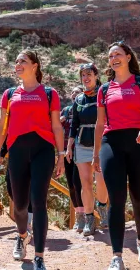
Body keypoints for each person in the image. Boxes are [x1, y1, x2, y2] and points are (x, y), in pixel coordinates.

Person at [0, 50, 65, 270]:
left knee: (39, 202)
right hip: (18, 153)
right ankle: (22, 235)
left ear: (35, 66)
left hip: (43, 151)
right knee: (19, 207)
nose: (18, 64)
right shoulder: (10, 94)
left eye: (23, 61)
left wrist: (61, 156)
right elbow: (1, 129)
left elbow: (57, 126)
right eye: (16, 61)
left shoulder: (50, 94)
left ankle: (39, 256)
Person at [93, 41, 140, 270]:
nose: (113, 58)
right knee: (117, 199)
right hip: (111, 143)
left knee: (139, 197)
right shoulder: (104, 89)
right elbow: (100, 123)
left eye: (118, 54)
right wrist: (95, 155)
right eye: (110, 56)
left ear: (128, 57)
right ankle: (117, 256)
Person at [66, 63, 109, 236]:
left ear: (96, 75)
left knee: (102, 181)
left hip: (102, 143)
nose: (86, 78)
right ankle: (89, 219)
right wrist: (69, 146)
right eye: (83, 75)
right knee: (85, 183)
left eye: (89, 74)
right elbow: (74, 125)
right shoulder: (79, 100)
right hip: (82, 145)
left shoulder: (104, 94)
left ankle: (103, 208)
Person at [60, 87, 85, 232]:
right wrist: (59, 121)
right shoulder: (66, 110)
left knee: (78, 183)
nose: (75, 94)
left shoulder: (85, 108)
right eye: (73, 92)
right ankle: (79, 214)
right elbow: (56, 127)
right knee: (71, 184)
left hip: (82, 150)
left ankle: (87, 215)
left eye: (78, 92)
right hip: (66, 152)